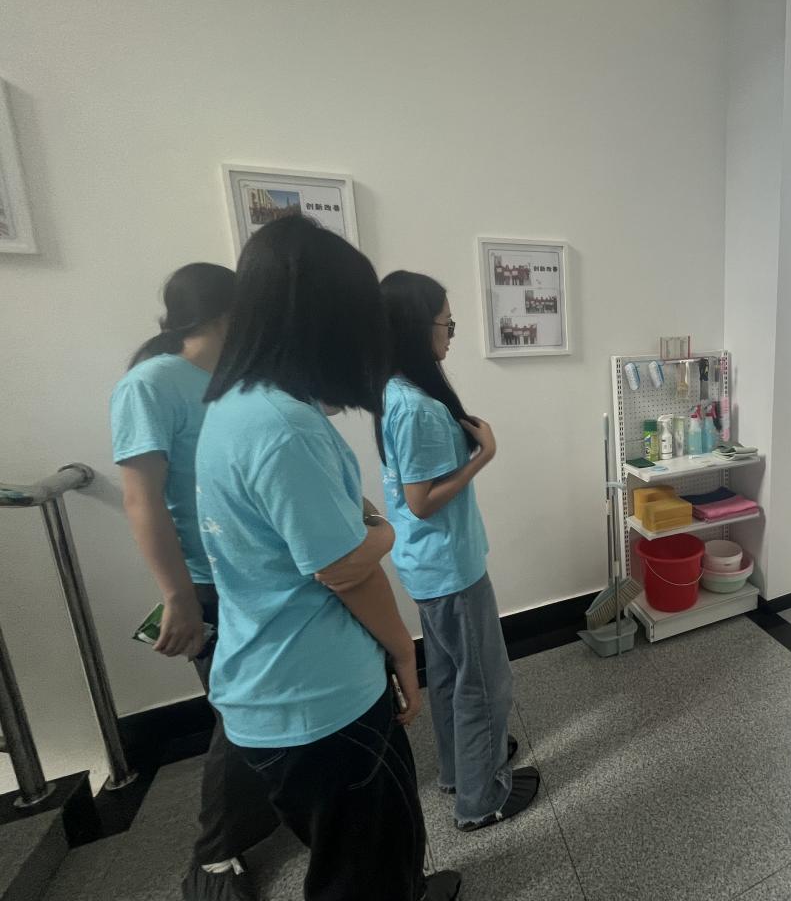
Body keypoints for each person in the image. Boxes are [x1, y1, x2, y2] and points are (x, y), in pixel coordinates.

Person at [195, 218, 461, 901]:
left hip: (275, 678)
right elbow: (344, 567)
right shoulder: (286, 427)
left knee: (370, 851)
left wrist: (363, 522)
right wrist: (402, 644)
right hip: (320, 696)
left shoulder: (232, 405)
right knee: (363, 871)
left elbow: (323, 528)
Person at [111, 262, 279, 901]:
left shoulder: (234, 379)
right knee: (239, 714)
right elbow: (141, 500)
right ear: (226, 314)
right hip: (209, 582)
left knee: (265, 703)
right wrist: (179, 595)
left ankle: (273, 812)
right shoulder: (151, 384)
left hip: (262, 570)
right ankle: (213, 858)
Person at [377, 270, 540, 833]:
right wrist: (483, 456)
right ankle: (482, 798)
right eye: (446, 323)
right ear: (415, 328)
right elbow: (422, 501)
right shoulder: (418, 406)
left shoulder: (394, 391)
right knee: (484, 685)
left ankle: (458, 771)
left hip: (427, 565)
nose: (451, 333)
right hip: (449, 568)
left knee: (449, 676)